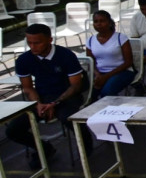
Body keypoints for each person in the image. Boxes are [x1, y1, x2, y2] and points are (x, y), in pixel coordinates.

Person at [6, 24, 93, 169]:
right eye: (29, 42)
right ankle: (44, 148)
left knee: (69, 118)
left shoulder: (66, 55)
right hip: (42, 98)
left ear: (49, 40)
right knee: (13, 130)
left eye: (37, 42)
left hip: (67, 96)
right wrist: (38, 103)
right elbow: (28, 87)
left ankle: (86, 145)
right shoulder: (23, 59)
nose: (33, 46)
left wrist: (55, 103)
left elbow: (75, 86)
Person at [85, 10, 135, 99]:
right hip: (100, 73)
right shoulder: (90, 40)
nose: (99, 24)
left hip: (122, 72)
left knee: (107, 92)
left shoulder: (120, 38)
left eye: (102, 21)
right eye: (96, 21)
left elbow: (128, 62)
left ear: (109, 22)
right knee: (88, 94)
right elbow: (90, 62)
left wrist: (106, 77)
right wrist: (98, 75)